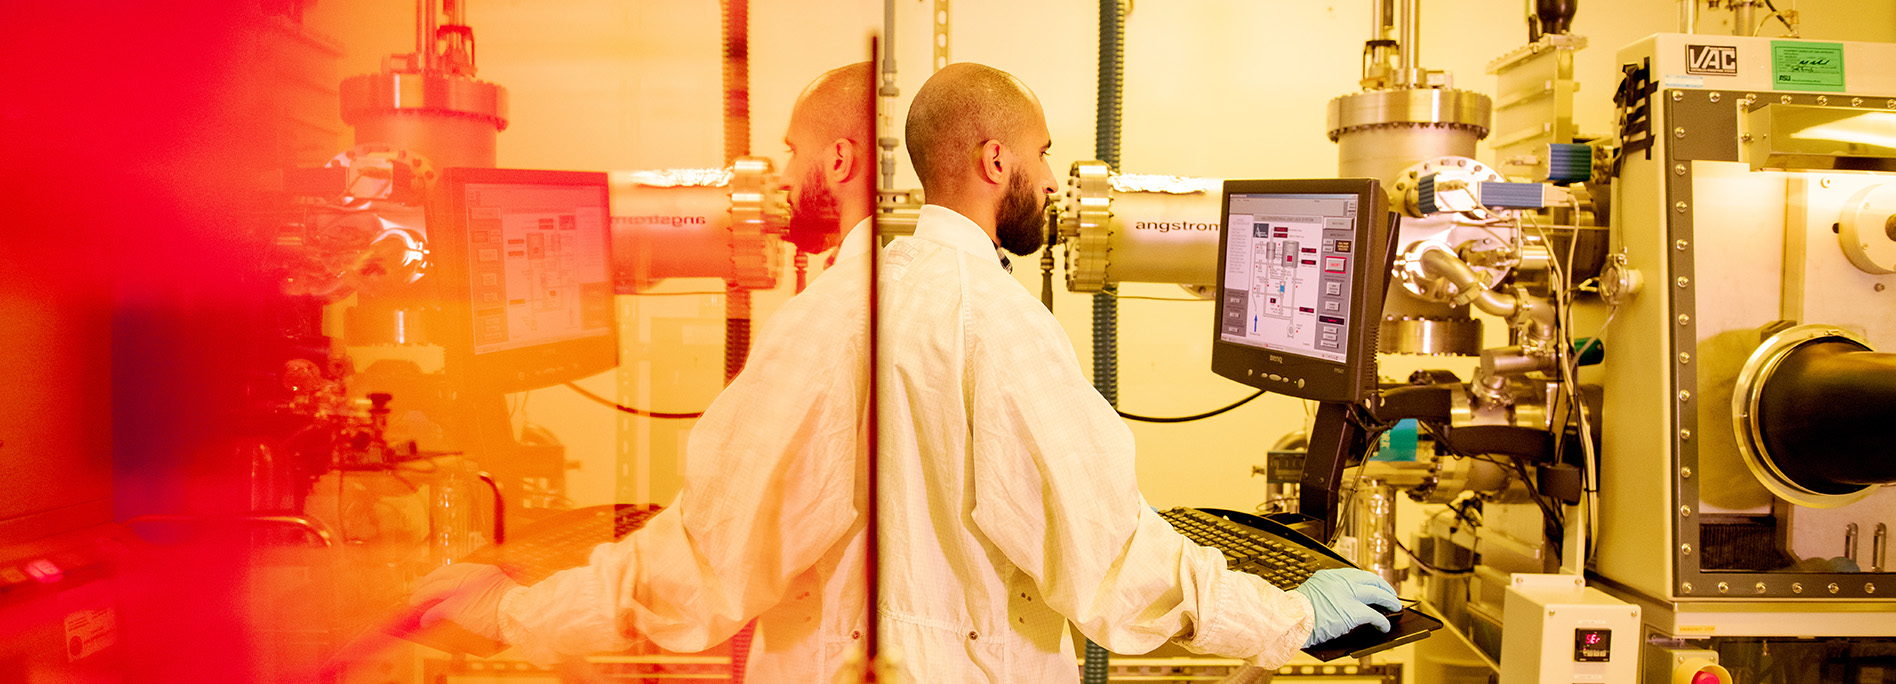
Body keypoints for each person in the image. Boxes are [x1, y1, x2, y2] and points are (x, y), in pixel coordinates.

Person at [873, 62, 1400, 682]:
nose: (1049, 182)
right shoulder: (996, 322)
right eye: (1041, 155)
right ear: (995, 161)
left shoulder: (874, 286)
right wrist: (1291, 615)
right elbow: (1112, 562)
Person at [410, 62, 876, 683]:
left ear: (840, 160)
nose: (785, 180)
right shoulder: (958, 299)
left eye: (793, 154)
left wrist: (512, 610)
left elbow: (704, 562)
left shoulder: (830, 322)